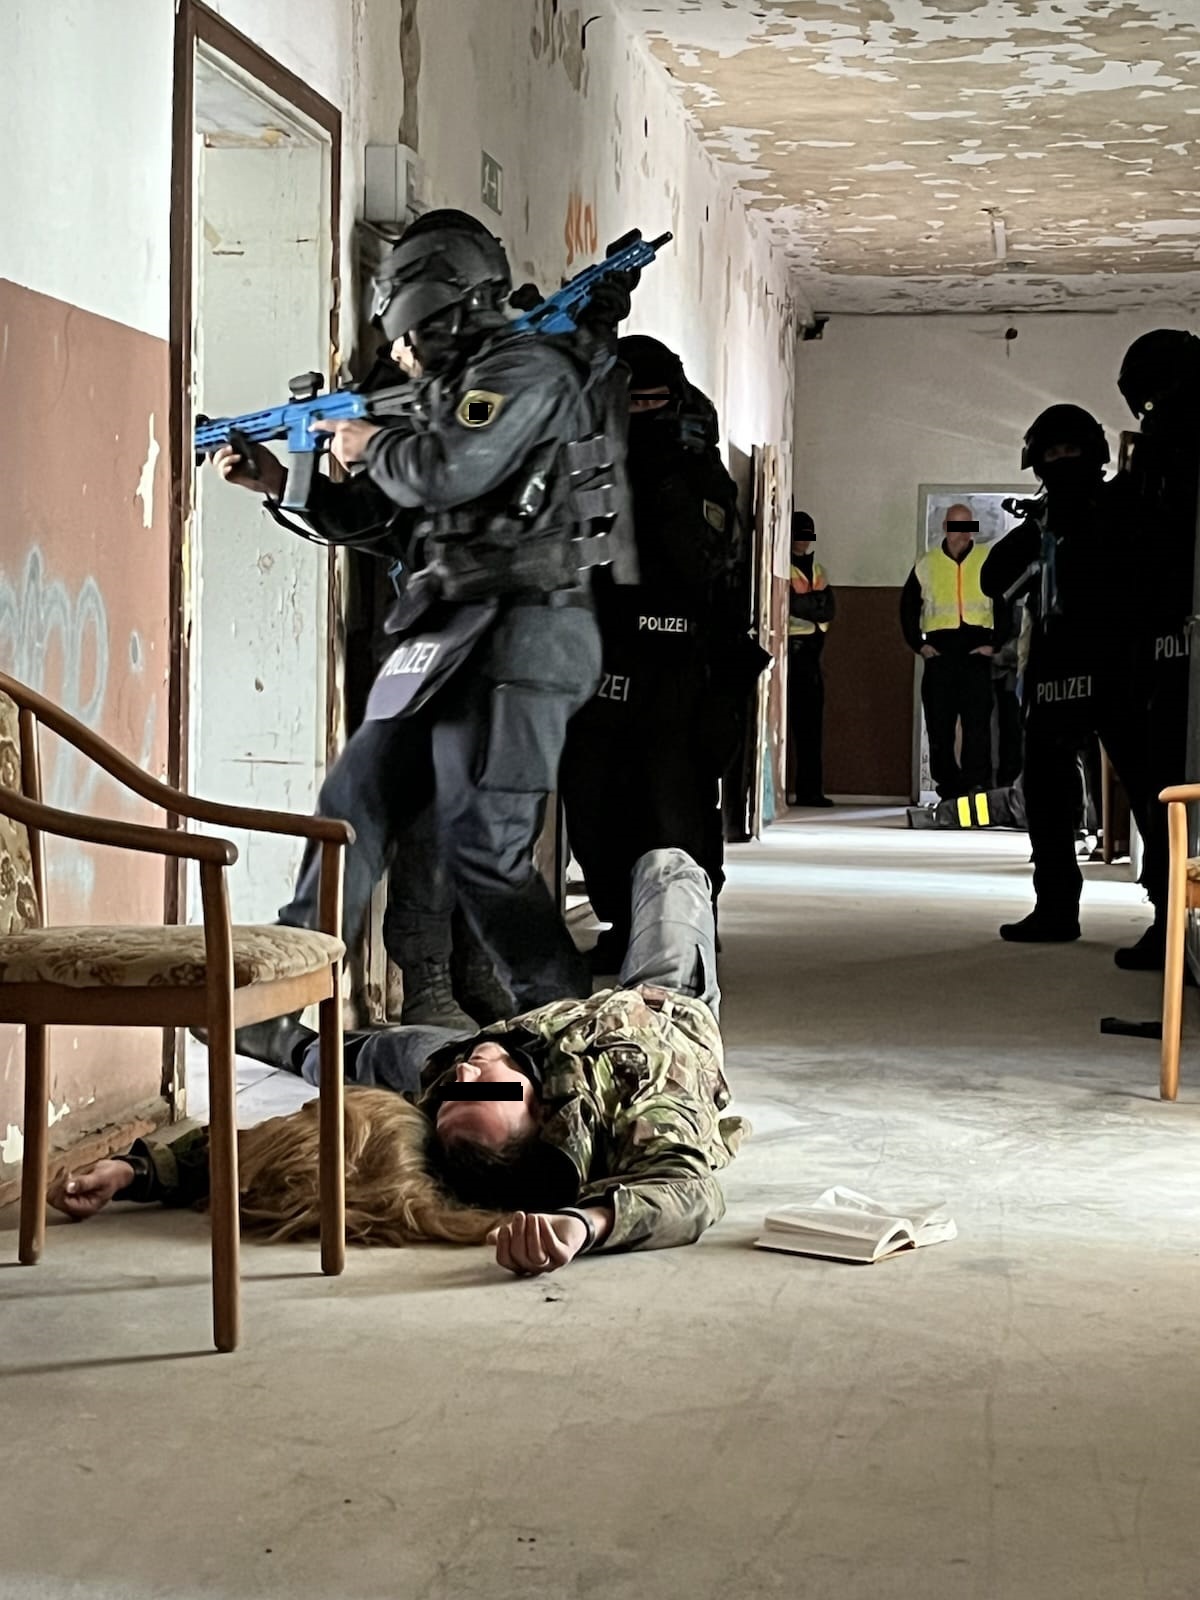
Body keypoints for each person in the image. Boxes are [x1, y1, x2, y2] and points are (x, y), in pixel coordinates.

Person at [209, 209, 630, 1060]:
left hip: (526, 633)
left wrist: (371, 443)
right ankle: (278, 1002)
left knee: (485, 849)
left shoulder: (527, 371)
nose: (398, 350)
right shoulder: (452, 391)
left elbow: (444, 471)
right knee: (352, 804)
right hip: (448, 630)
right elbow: (403, 523)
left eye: (406, 330)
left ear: (443, 307)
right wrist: (283, 483)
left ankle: (570, 1036)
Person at [51, 850, 747, 1275]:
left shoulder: (453, 1084)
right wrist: (585, 1224)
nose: (468, 1074)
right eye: (485, 1090)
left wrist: (135, 1170)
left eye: (456, 1095)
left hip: (520, 1032)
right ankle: (307, 1047)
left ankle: (292, 1045)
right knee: (667, 868)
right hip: (662, 999)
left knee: (387, 1056)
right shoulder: (650, 1103)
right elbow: (691, 1194)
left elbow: (297, 1143)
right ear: (541, 1113)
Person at [559, 335, 752, 972]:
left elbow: (703, 559)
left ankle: (683, 932)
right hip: (600, 658)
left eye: (652, 402)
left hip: (680, 667)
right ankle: (622, 923)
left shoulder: (700, 474)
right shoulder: (586, 462)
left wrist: (659, 474)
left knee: (674, 808)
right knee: (593, 801)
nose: (641, 413)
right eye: (629, 403)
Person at [981, 405, 1119, 941]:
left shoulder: (1122, 508)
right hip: (1054, 667)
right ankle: (1057, 908)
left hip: (1118, 662)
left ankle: (1167, 911)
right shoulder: (1041, 523)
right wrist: (1039, 527)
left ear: (1094, 456)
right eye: (1053, 453)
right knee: (1047, 794)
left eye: (1072, 451)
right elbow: (995, 579)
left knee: (1145, 790)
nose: (1063, 461)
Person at [1096, 329, 1200, 970]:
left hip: (1166, 648)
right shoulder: (1157, 457)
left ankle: (1173, 923)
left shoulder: (1165, 454)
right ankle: (1172, 923)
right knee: (1161, 791)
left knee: (1163, 792)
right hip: (1158, 646)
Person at [900, 504, 1001, 800]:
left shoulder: (987, 559)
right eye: (956, 526)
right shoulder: (927, 564)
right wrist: (919, 645)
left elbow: (1004, 603)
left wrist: (996, 644)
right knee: (939, 725)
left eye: (967, 526)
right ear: (945, 527)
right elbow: (907, 608)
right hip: (940, 655)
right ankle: (948, 789)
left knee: (977, 726)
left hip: (976, 654)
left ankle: (975, 787)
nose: (962, 534)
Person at [786, 510, 835, 807]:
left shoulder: (817, 568)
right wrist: (812, 604)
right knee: (797, 725)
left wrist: (809, 605)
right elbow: (793, 605)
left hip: (814, 651)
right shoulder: (783, 568)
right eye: (800, 534)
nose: (804, 540)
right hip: (793, 650)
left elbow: (829, 609)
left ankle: (811, 791)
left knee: (812, 726)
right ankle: (798, 790)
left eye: (808, 534)